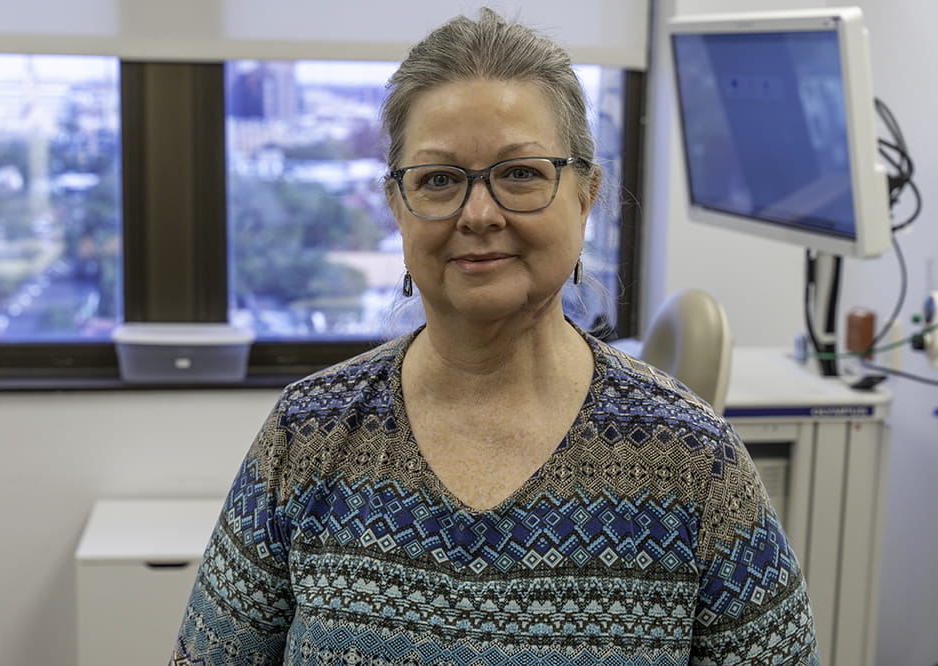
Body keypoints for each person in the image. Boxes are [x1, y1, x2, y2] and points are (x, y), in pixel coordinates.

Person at [170, 9, 819, 665]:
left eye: (521, 174)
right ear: (397, 206)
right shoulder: (305, 437)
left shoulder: (694, 461)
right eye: (439, 180)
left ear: (586, 195)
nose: (479, 214)